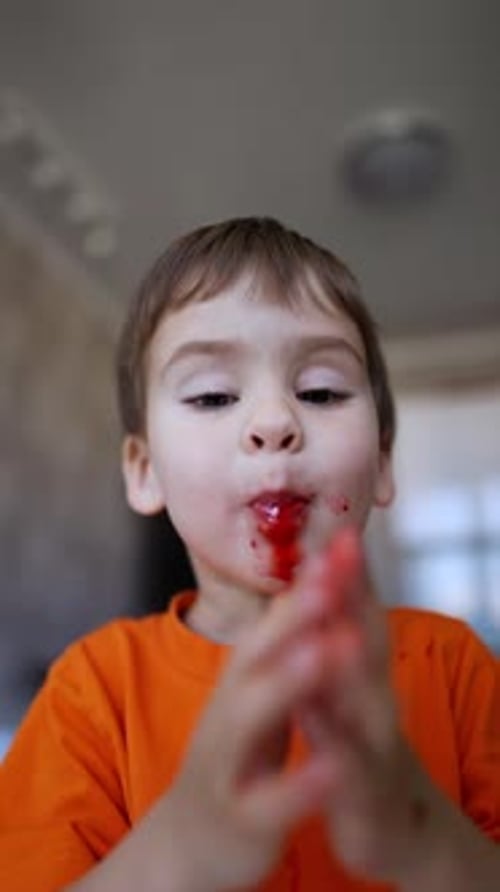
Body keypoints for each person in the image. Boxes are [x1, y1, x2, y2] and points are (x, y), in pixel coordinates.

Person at [0, 217, 499, 892]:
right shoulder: (93, 692)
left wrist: (425, 837)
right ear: (145, 471)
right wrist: (177, 850)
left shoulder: (454, 669)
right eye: (212, 395)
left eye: (320, 391)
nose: (273, 423)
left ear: (382, 463)